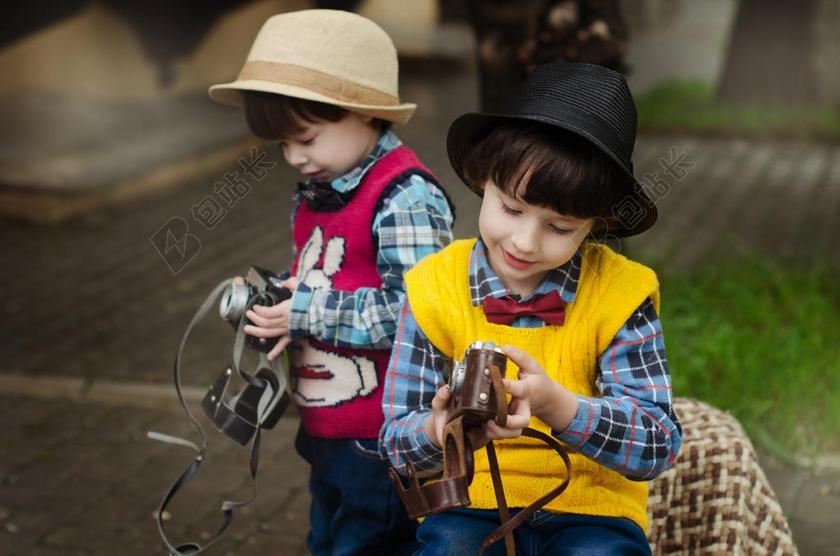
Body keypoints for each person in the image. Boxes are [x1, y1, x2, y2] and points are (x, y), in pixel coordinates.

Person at [380, 62, 682, 555]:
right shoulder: (435, 287)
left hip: (593, 509)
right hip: (470, 501)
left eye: (559, 227)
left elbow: (657, 444)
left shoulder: (622, 292)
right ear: (483, 179)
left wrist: (556, 406)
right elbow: (393, 443)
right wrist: (439, 428)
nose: (524, 241)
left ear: (596, 223)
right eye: (511, 208)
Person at [208, 10, 454, 555]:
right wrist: (273, 297)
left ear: (365, 113)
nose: (294, 157)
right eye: (282, 145)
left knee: (367, 542)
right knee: (328, 534)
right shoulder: (325, 185)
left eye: (306, 138)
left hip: (381, 434)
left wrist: (306, 312)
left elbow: (421, 313)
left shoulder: (404, 198)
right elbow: (326, 278)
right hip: (327, 426)